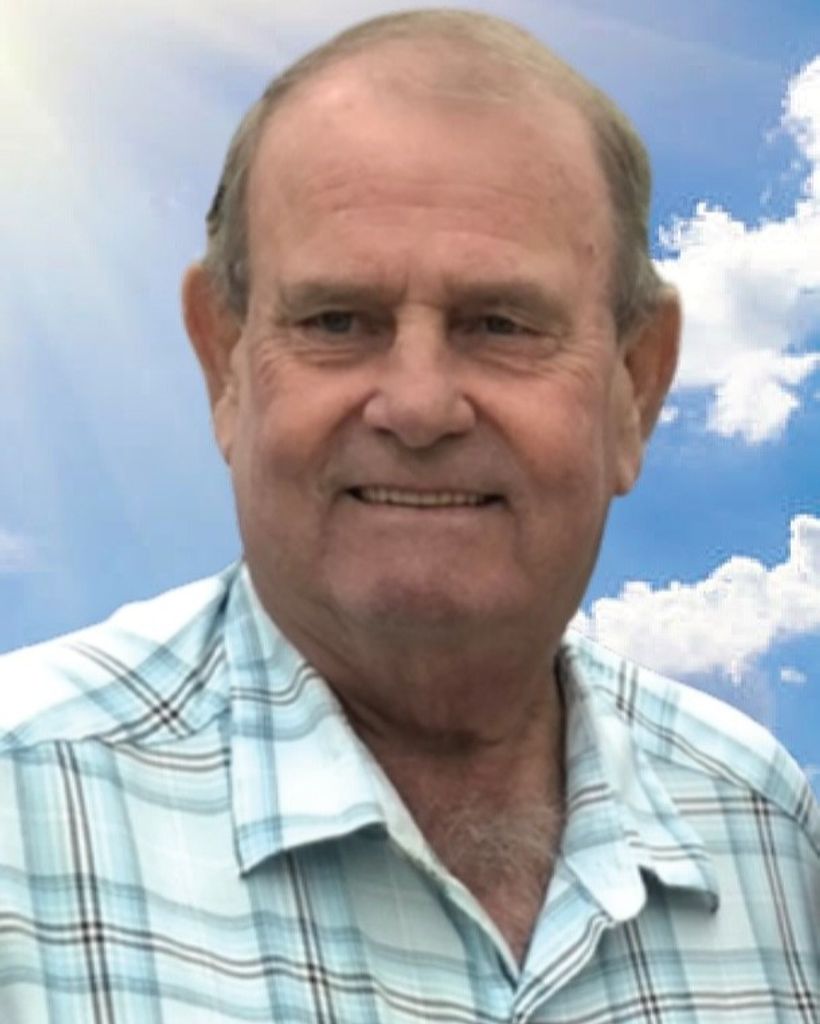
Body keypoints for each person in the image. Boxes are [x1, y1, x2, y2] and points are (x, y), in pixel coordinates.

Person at [1, 8, 817, 1022]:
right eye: (337, 321)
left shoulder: (769, 834)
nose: (420, 405)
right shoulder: (21, 810)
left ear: (635, 387)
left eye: (500, 324)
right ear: (224, 366)